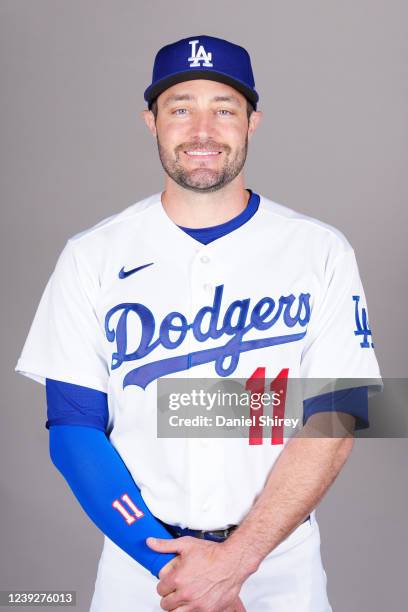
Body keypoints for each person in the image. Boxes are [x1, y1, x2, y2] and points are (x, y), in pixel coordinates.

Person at [15, 34, 383, 611]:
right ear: (151, 121)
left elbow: (337, 418)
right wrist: (177, 572)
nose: (202, 130)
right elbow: (72, 428)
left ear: (253, 122)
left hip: (277, 567)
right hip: (142, 571)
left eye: (225, 109)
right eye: (181, 108)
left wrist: (235, 563)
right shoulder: (92, 255)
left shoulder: (320, 250)